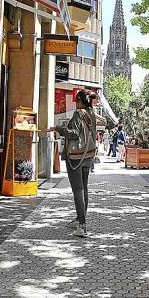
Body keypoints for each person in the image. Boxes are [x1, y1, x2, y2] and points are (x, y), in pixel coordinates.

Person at [48, 90, 98, 237]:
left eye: (77, 101)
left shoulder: (78, 113)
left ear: (80, 101)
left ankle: (82, 225)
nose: (76, 104)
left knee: (78, 190)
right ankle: (80, 219)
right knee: (84, 188)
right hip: (88, 154)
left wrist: (58, 128)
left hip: (76, 157)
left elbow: (74, 133)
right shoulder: (92, 113)